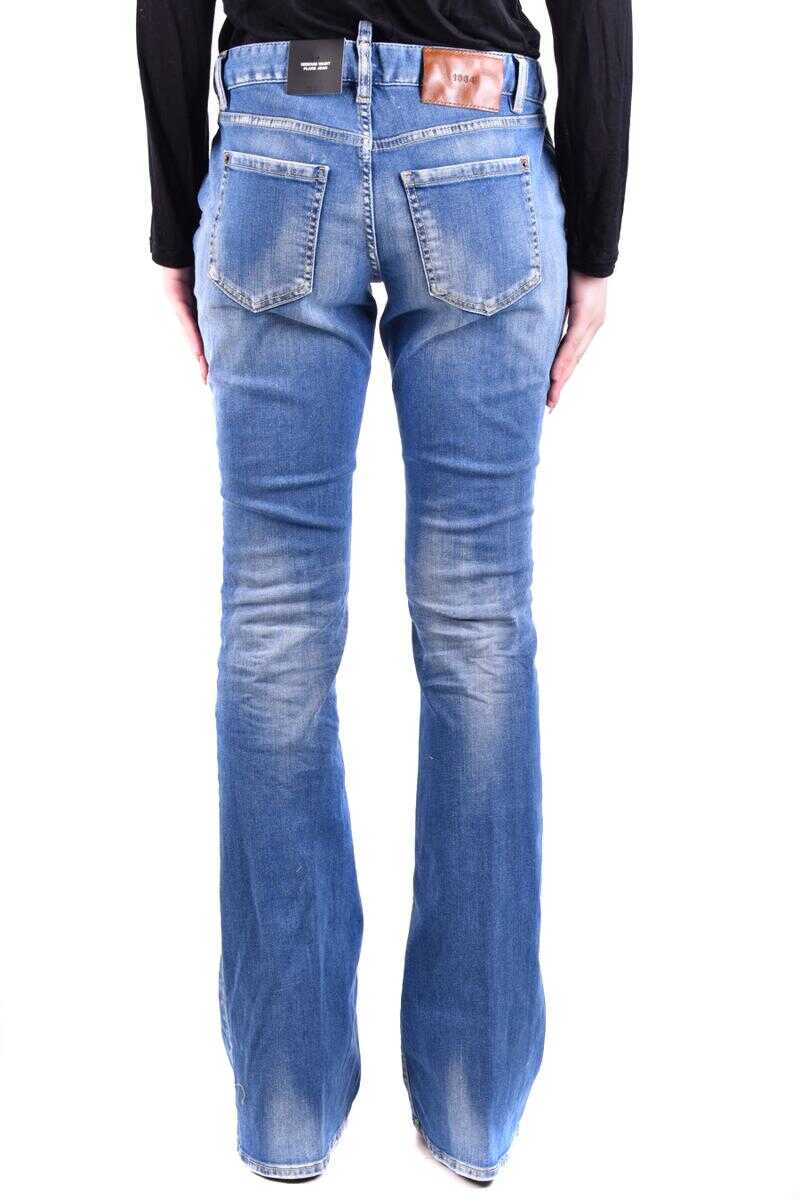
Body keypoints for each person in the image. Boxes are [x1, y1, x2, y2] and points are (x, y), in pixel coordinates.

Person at [137, 1, 632, 1183]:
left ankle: (287, 1106)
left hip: (276, 129)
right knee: (477, 629)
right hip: (474, 131)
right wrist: (596, 235)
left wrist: (174, 215)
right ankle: (470, 1106)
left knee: (272, 630)